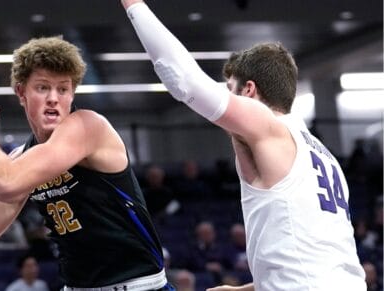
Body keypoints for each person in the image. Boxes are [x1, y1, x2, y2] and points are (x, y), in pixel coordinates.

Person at [120, 1, 366, 290]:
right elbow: (312, 259)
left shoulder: (268, 125)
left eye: (230, 90)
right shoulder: (324, 156)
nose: (228, 103)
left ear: (248, 90)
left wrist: (132, 3)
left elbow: (182, 80)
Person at [0, 36, 172, 290]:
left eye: (63, 89)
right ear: (21, 92)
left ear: (72, 95)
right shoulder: (22, 161)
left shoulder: (87, 126)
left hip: (137, 285)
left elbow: (3, 184)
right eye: (42, 87)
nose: (53, 98)